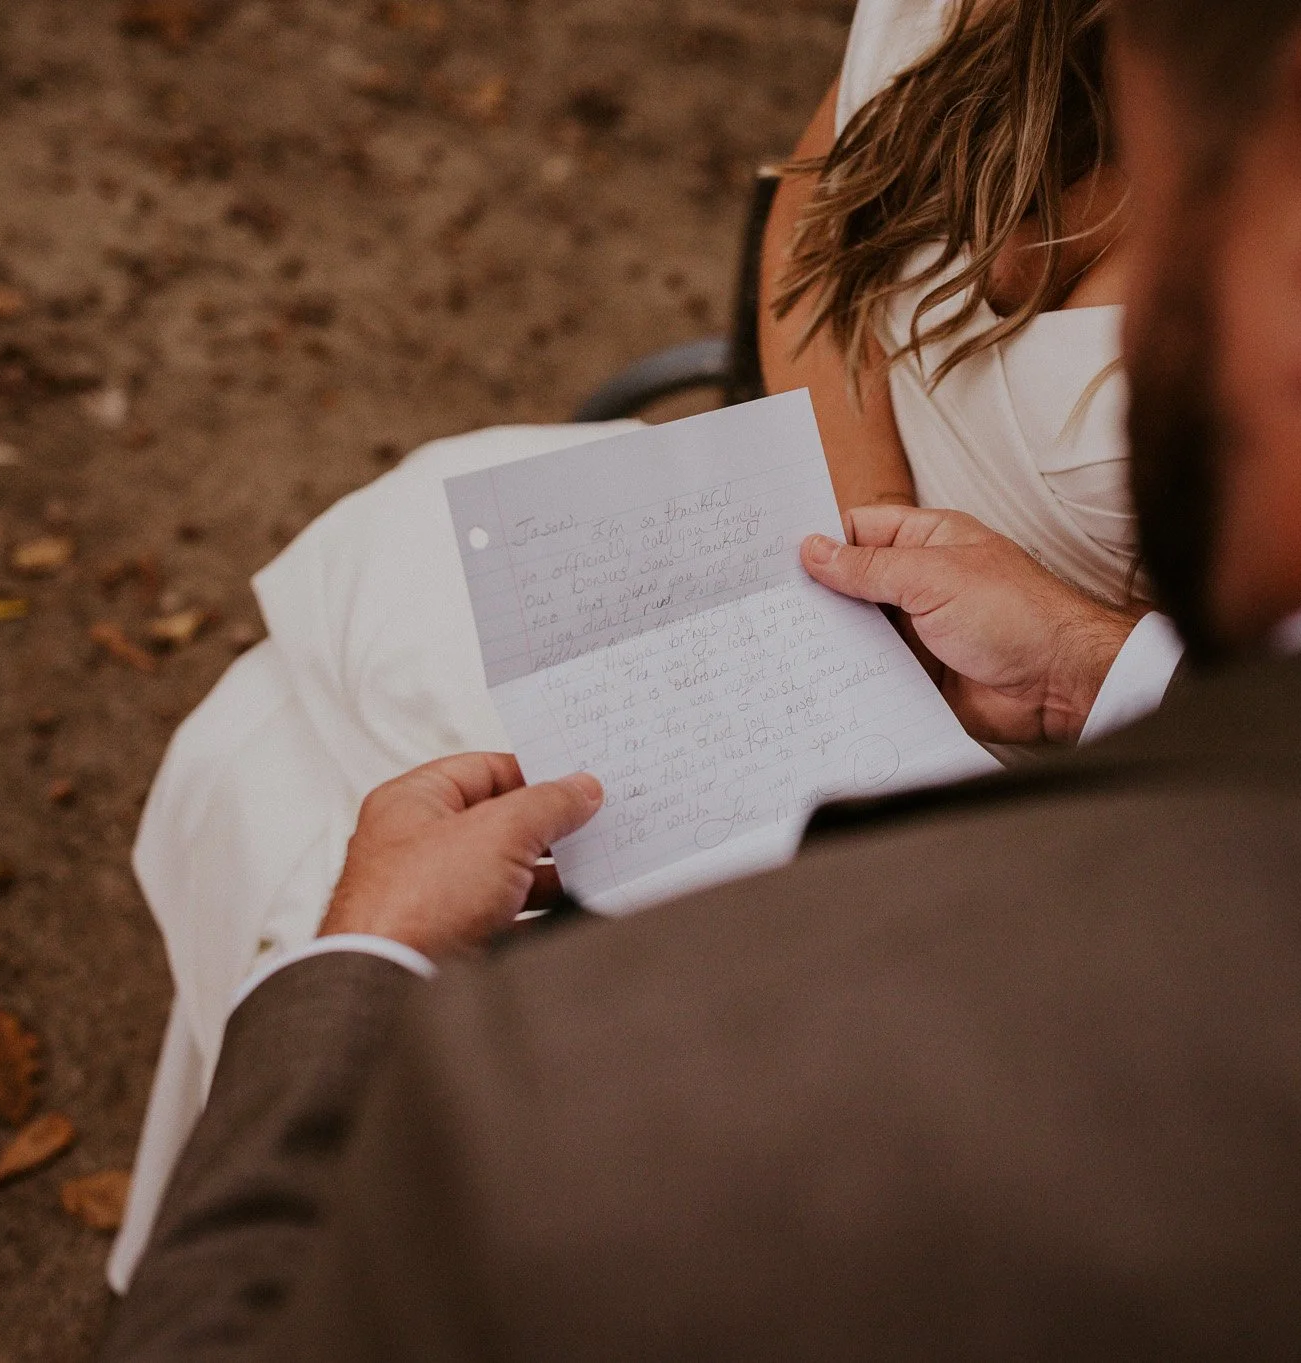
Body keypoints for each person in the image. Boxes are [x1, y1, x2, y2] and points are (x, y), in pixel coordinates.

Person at [102, 0, 1301, 1354]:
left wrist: (362, 974)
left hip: (947, 850)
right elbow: (818, 201)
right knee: (297, 701)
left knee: (332, 847)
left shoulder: (586, 1122)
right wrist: (1100, 662)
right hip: (932, 641)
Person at [110, 0, 1166, 1286]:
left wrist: (1089, 661)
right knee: (267, 747)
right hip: (816, 573)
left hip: (1078, 793)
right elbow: (815, 210)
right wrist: (855, 551)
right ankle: (251, 1239)